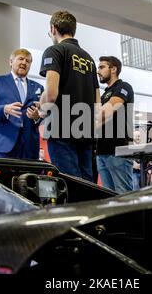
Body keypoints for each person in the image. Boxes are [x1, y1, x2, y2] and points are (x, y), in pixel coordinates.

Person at [38, 10, 99, 181]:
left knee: (70, 184)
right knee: (87, 184)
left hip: (61, 130)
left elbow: (50, 94)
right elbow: (97, 102)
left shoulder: (55, 51)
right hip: (85, 131)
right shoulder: (89, 59)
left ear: (53, 28)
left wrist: (42, 110)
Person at [0, 48, 44, 159]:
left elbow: (44, 113)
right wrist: (4, 109)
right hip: (2, 145)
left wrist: (37, 117)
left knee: (28, 177)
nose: (24, 62)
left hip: (29, 148)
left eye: (28, 61)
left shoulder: (39, 87)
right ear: (11, 62)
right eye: (21, 59)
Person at [96, 56, 134, 193]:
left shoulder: (124, 87)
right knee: (108, 196)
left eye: (101, 67)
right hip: (102, 152)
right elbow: (98, 121)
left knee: (123, 194)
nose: (98, 71)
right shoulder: (103, 95)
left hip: (119, 150)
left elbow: (108, 111)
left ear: (113, 69)